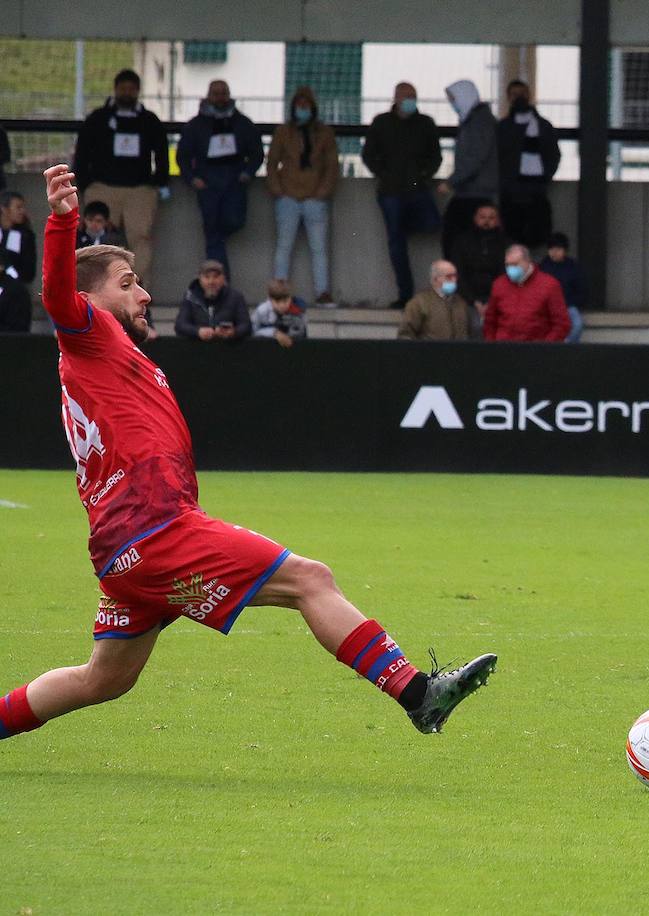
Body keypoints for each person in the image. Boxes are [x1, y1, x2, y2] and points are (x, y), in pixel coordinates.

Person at [0, 164, 497, 746]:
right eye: (129, 281)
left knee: (101, 680)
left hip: (123, 547)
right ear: (90, 297)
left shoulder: (99, 355)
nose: (145, 291)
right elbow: (58, 294)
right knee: (311, 580)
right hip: (155, 531)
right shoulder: (88, 332)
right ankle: (418, 693)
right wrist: (62, 225)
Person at [73, 70, 169, 285]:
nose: (127, 93)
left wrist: (158, 182)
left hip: (140, 190)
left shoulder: (149, 120)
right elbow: (82, 152)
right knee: (97, 236)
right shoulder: (98, 118)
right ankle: (96, 283)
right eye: (122, 89)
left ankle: (137, 285)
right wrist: (87, 183)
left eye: (131, 89)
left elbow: (162, 152)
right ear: (115, 90)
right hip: (103, 187)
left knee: (141, 238)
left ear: (138, 91)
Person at [362, 82, 442, 309]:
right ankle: (405, 294)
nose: (410, 100)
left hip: (417, 190)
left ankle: (407, 224)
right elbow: (369, 154)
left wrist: (422, 176)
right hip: (391, 192)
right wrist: (385, 175)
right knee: (397, 244)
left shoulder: (425, 124)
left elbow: (435, 156)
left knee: (432, 224)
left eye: (413, 96)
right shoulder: (382, 123)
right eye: (407, 96)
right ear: (396, 98)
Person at [176, 80, 263, 279]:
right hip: (208, 183)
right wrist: (193, 179)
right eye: (215, 93)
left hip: (234, 182)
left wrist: (247, 173)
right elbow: (183, 156)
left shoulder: (242, 123)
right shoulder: (196, 125)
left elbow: (257, 152)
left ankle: (217, 245)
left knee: (233, 222)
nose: (220, 97)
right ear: (208, 96)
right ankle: (220, 282)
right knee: (212, 232)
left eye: (224, 93)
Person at [266, 85, 339, 305]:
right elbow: (271, 163)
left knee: (319, 249)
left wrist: (322, 192)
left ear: (313, 108)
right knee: (283, 247)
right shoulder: (283, 132)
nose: (303, 109)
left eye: (306, 105)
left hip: (315, 198)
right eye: (299, 105)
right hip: (287, 197)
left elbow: (332, 166)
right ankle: (278, 293)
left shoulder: (324, 133)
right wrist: (278, 190)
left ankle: (322, 292)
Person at [496, 80, 561, 249]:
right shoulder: (503, 128)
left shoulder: (543, 126)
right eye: (515, 94)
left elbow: (553, 154)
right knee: (512, 239)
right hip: (511, 194)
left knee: (538, 237)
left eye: (523, 94)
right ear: (508, 98)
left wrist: (545, 176)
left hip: (536, 192)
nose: (519, 98)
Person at [440, 80, 500, 261]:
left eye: (453, 99)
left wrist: (452, 181)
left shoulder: (478, 122)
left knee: (456, 242)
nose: (453, 104)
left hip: (474, 193)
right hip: (473, 192)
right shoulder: (477, 120)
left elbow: (475, 158)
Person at [483, 244, 571, 342]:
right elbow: (490, 321)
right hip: (503, 349)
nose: (510, 268)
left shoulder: (549, 285)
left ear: (528, 261)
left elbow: (562, 324)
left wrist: (545, 348)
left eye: (515, 264)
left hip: (535, 351)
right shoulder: (499, 285)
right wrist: (492, 346)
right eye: (507, 265)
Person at [398, 259, 478, 341]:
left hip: (459, 352)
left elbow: (469, 333)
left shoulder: (461, 303)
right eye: (449, 277)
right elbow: (405, 335)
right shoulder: (418, 303)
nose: (454, 280)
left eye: (455, 276)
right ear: (435, 279)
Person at [173, 259, 251, 342]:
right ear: (200, 279)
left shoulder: (236, 297)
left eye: (216, 277)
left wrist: (233, 332)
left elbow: (246, 326)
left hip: (228, 349)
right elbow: (180, 325)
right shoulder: (190, 297)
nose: (211, 281)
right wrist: (198, 331)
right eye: (207, 277)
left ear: (223, 278)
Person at [451, 202, 509, 310]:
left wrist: (494, 300)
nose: (486, 221)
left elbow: (505, 274)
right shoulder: (462, 242)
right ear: (475, 218)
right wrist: (472, 300)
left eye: (491, 217)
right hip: (466, 298)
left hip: (499, 299)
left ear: (498, 221)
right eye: (482, 217)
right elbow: (457, 272)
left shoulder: (506, 243)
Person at [538, 231, 585, 342]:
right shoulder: (543, 267)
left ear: (565, 250)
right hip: (546, 307)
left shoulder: (573, 267)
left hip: (568, 305)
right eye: (551, 249)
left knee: (578, 324)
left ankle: (564, 344)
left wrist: (568, 302)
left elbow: (582, 290)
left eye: (558, 249)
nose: (554, 253)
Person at [0, 190, 36, 334]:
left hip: (16, 289)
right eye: (18, 207)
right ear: (4, 209)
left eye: (23, 208)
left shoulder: (25, 235)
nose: (22, 212)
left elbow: (28, 270)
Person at [251, 278, 309, 347]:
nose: (282, 305)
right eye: (277, 302)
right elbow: (252, 331)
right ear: (270, 299)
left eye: (285, 301)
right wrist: (273, 333)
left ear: (290, 297)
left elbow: (303, 335)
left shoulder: (299, 310)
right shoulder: (261, 310)